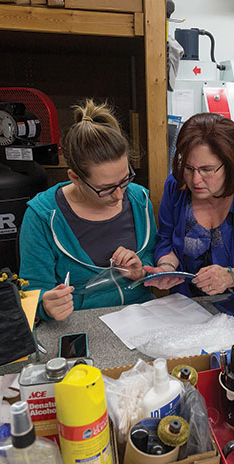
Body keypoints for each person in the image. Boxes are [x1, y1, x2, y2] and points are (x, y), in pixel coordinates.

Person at [19, 99, 156, 321]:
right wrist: (45, 306)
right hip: (81, 322)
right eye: (105, 189)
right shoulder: (43, 216)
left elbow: (150, 253)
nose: (120, 195)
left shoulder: (139, 199)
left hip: (141, 317)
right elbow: (32, 292)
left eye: (124, 180)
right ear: (75, 178)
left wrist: (141, 270)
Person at [145, 112, 234, 296]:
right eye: (189, 168)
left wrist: (230, 277)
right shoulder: (177, 184)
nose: (195, 180)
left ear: (230, 164)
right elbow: (166, 240)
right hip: (189, 306)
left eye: (207, 170)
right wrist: (166, 267)